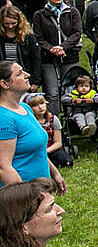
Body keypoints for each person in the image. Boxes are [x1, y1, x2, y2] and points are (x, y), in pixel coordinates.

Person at [0, 62, 64, 191]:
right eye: (19, 73)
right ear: (5, 84)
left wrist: (54, 173)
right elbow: (3, 167)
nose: (27, 75)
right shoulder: (4, 118)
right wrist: (29, 199)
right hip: (20, 197)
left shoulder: (25, 108)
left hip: (39, 189)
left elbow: (37, 149)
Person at [32, 0, 83, 115]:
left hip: (70, 56)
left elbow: (77, 32)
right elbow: (39, 37)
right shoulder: (40, 15)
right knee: (52, 91)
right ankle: (53, 121)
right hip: (48, 58)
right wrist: (51, 49)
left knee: (70, 89)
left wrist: (63, 47)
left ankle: (73, 120)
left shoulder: (72, 12)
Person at [0, 6, 40, 91]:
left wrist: (35, 81)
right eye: (6, 23)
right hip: (4, 75)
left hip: (23, 74)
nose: (10, 26)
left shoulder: (28, 37)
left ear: (19, 21)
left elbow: (36, 59)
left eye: (13, 23)